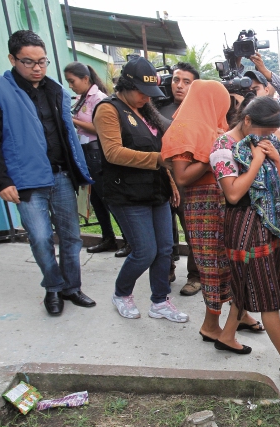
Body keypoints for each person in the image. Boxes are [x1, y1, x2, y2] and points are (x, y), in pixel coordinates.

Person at [211, 95, 280, 385]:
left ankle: (226, 335)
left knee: (247, 281)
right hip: (244, 224)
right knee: (266, 293)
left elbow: (276, 183)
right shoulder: (223, 147)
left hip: (265, 223)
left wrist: (272, 158)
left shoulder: (260, 142)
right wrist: (259, 160)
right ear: (246, 120)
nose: (266, 137)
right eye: (262, 131)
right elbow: (232, 193)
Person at [0, 30, 96, 316]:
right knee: (40, 238)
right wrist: (2, 181)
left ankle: (71, 287)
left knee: (71, 237)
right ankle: (53, 287)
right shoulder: (2, 91)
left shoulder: (55, 90)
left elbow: (67, 136)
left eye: (42, 61)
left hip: (62, 175)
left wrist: (79, 171)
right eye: (29, 62)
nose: (37, 67)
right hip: (27, 181)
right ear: (12, 59)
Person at [162, 80, 265, 351]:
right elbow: (182, 176)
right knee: (212, 264)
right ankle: (210, 324)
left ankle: (239, 314)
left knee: (231, 262)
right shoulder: (184, 129)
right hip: (203, 206)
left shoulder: (214, 127)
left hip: (223, 203)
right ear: (210, 101)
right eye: (222, 102)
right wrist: (213, 153)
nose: (226, 108)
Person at [92, 56, 188, 323]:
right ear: (125, 85)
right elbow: (113, 153)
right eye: (141, 92)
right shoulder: (108, 109)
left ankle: (160, 301)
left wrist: (170, 182)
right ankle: (121, 294)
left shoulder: (146, 112)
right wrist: (157, 161)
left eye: (150, 93)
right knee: (145, 251)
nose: (147, 98)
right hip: (127, 193)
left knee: (166, 248)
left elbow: (161, 150)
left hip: (156, 191)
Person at [238, 51, 280, 280]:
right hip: (248, 173)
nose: (252, 95)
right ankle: (260, 260)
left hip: (279, 172)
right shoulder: (243, 115)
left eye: (256, 89)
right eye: (248, 91)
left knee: (277, 214)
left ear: (267, 89)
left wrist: (264, 70)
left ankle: (278, 259)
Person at [63, 61, 125, 256]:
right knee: (96, 199)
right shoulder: (82, 98)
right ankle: (108, 238)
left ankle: (129, 239)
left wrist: (70, 119)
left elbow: (100, 129)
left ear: (85, 79)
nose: (70, 85)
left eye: (72, 81)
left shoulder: (99, 99)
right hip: (84, 152)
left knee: (108, 197)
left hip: (97, 152)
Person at [157, 62, 202, 296]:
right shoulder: (159, 110)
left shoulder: (201, 114)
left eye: (187, 81)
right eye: (176, 80)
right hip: (161, 179)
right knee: (164, 230)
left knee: (192, 231)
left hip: (189, 182)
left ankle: (195, 276)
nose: (180, 85)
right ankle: (167, 269)